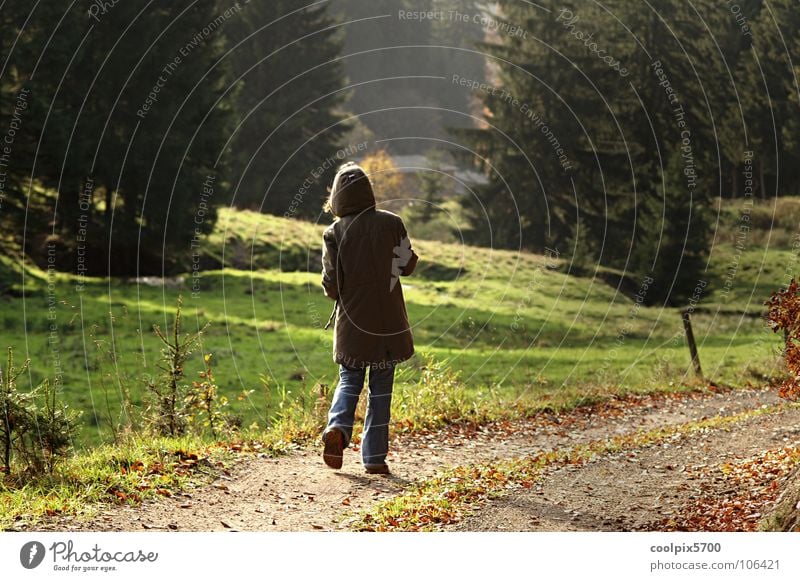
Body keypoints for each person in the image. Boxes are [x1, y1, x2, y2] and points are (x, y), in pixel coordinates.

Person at [319, 161, 418, 475]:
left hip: (353, 325)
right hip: (389, 326)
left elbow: (332, 286)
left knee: (350, 378)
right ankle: (374, 458)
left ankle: (338, 428)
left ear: (337, 197)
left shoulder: (334, 232)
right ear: (368, 192)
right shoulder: (392, 223)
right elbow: (408, 265)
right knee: (381, 388)